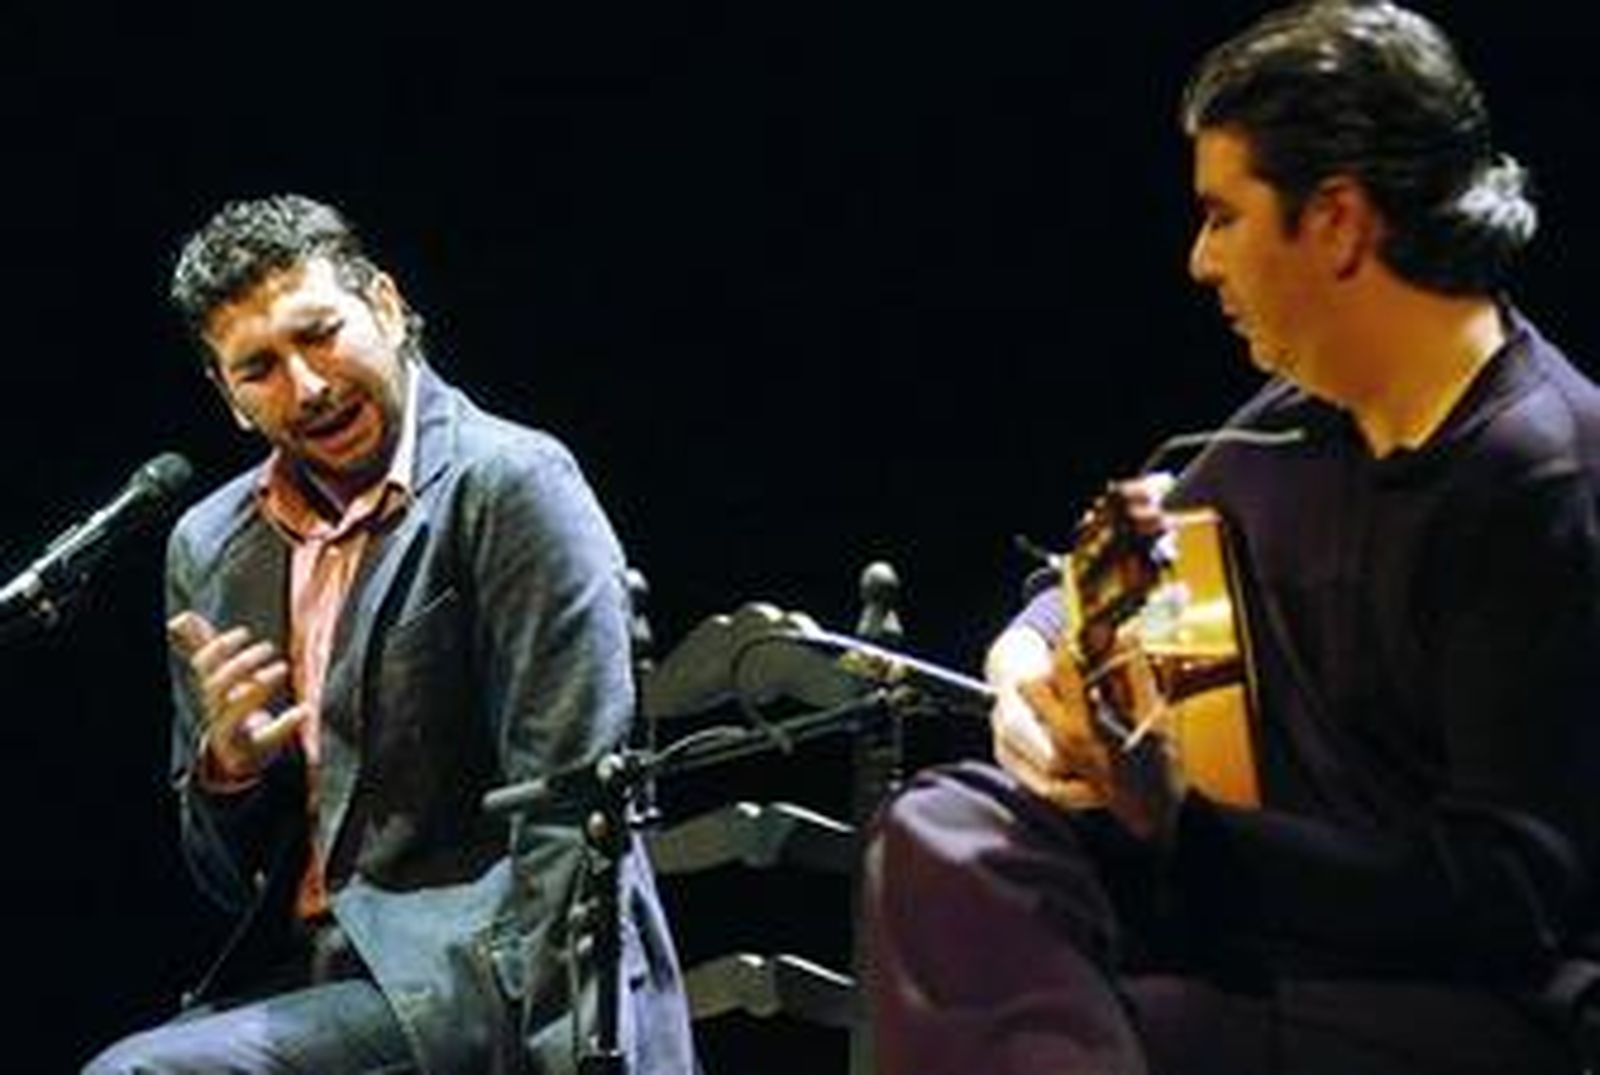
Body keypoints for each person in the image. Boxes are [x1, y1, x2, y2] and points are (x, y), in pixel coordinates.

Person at [866, 3, 1600, 1073]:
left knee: (1133, 1030)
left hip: (1478, 1000)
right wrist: (1026, 654)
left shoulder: (1538, 478)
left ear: (1339, 219)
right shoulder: (1300, 416)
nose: (1198, 260)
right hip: (1270, 920)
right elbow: (1103, 565)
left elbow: (1508, 897)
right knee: (946, 827)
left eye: (1223, 215)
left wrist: (1180, 832)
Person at [84, 195, 696, 1074]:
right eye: (259, 367)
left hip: (485, 980)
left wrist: (578, 1057)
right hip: (309, 982)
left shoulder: (509, 484)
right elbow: (225, 884)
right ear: (226, 395)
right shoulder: (212, 547)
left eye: (321, 332)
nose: (308, 386)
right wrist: (230, 772)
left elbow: (572, 813)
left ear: (386, 304)